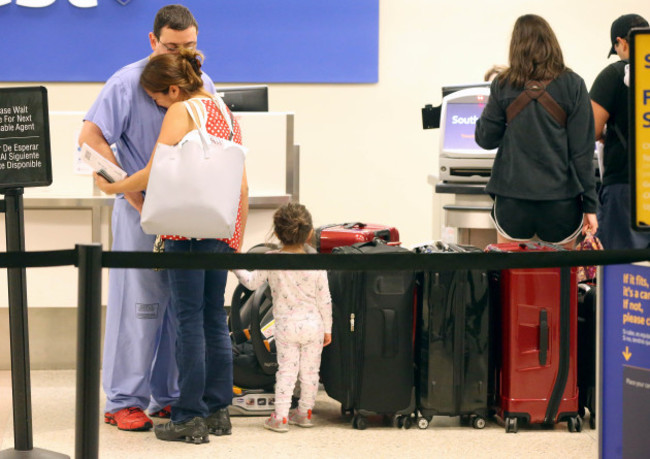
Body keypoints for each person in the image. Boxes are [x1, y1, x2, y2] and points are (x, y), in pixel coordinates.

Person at [96, 48, 249, 443]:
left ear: (174, 89)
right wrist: (236, 239)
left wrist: (114, 186)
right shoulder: (227, 114)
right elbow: (241, 185)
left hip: (186, 231)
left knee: (188, 321)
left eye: (157, 98)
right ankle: (218, 411)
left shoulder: (182, 111)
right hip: (221, 230)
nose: (157, 106)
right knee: (216, 320)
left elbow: (155, 170)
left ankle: (188, 415)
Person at [78, 4, 217, 432]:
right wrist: (133, 195)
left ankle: (170, 396)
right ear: (153, 41)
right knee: (138, 307)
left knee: (183, 306)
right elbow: (90, 141)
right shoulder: (124, 83)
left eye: (190, 46)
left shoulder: (204, 83)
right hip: (139, 213)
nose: (183, 55)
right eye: (173, 46)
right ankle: (124, 399)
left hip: (189, 216)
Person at [475, 14, 598, 249]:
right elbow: (582, 152)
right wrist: (590, 206)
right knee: (560, 279)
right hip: (561, 202)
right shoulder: (574, 84)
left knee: (512, 279)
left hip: (512, 200)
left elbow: (485, 138)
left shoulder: (503, 83)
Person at [232, 203, 332, 433]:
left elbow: (251, 283)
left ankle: (280, 418)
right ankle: (305, 414)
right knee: (310, 373)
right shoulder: (317, 264)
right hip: (314, 326)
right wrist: (328, 329)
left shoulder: (271, 258)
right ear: (309, 233)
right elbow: (324, 299)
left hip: (286, 326)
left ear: (276, 233)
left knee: (286, 371)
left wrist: (234, 264)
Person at [590, 13, 650, 249]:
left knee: (623, 270)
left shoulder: (613, 75)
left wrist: (606, 134)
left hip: (626, 187)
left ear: (621, 42)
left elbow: (591, 129)